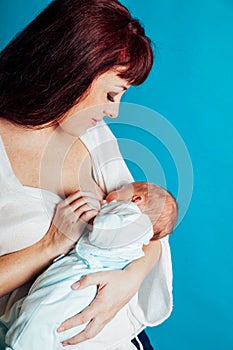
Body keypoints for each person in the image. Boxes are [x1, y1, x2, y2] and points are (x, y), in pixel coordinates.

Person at [0, 0, 174, 349]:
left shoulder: (93, 136)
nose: (114, 111)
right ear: (73, 69)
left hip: (128, 339)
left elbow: (150, 228)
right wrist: (50, 244)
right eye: (112, 94)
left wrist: (130, 280)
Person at [1, 182, 178, 350]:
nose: (112, 191)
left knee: (41, 317)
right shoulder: (136, 226)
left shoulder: (133, 217)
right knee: (31, 311)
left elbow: (113, 232)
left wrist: (97, 221)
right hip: (81, 273)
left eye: (122, 188)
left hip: (84, 277)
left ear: (136, 199)